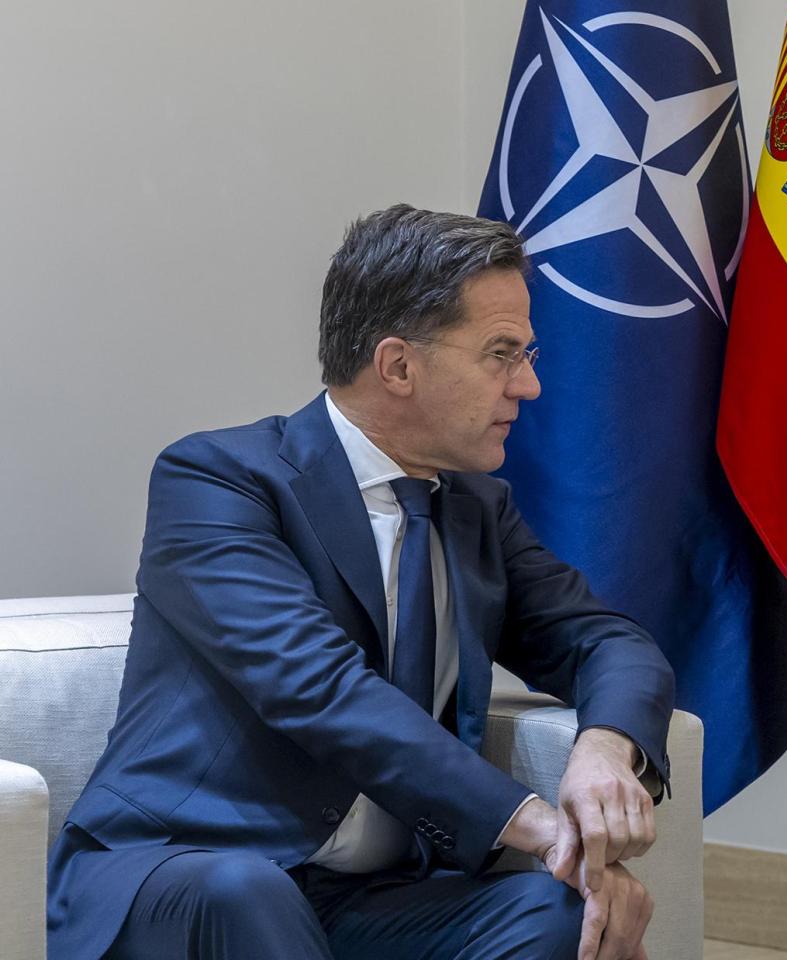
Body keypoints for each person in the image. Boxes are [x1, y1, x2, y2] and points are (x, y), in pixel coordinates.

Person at [46, 205, 674, 960]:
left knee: (559, 915)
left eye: (528, 353)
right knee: (249, 897)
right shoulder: (218, 480)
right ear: (399, 366)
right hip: (187, 869)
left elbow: (608, 641)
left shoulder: (476, 511)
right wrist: (542, 826)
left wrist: (603, 748)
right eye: (502, 354)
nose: (531, 386)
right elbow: (323, 692)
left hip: (370, 901)